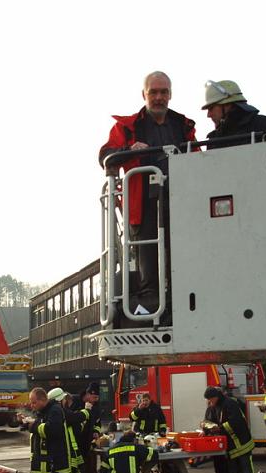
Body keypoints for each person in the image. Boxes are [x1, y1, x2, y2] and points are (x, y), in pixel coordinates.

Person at [99, 71, 197, 310]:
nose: (159, 97)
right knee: (149, 266)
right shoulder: (129, 126)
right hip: (142, 205)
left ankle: (182, 309)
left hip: (181, 202)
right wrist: (128, 149)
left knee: (183, 259)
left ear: (171, 94)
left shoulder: (183, 125)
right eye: (153, 92)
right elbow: (105, 156)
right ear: (144, 94)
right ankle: (153, 312)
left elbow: (197, 157)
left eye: (163, 92)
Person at [202, 80, 266, 298]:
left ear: (226, 104)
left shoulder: (265, 127)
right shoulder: (214, 139)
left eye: (211, 108)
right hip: (227, 219)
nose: (209, 114)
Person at [203, 386, 256, 473]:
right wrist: (206, 428)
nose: (209, 402)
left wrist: (219, 428)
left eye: (211, 399)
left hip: (242, 443)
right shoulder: (214, 407)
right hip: (231, 445)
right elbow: (210, 420)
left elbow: (235, 421)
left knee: (246, 470)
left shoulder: (230, 404)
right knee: (234, 472)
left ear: (216, 397)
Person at [48, 388, 90, 473]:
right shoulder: (59, 411)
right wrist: (87, 410)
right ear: (60, 400)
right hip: (66, 451)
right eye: (65, 399)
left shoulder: (55, 411)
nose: (66, 401)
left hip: (70, 450)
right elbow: (76, 417)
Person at [70, 382, 103, 473]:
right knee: (74, 468)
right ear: (87, 394)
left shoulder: (96, 407)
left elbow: (98, 423)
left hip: (86, 441)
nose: (96, 400)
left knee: (82, 469)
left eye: (97, 397)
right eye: (94, 397)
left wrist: (96, 432)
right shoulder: (75, 401)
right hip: (74, 441)